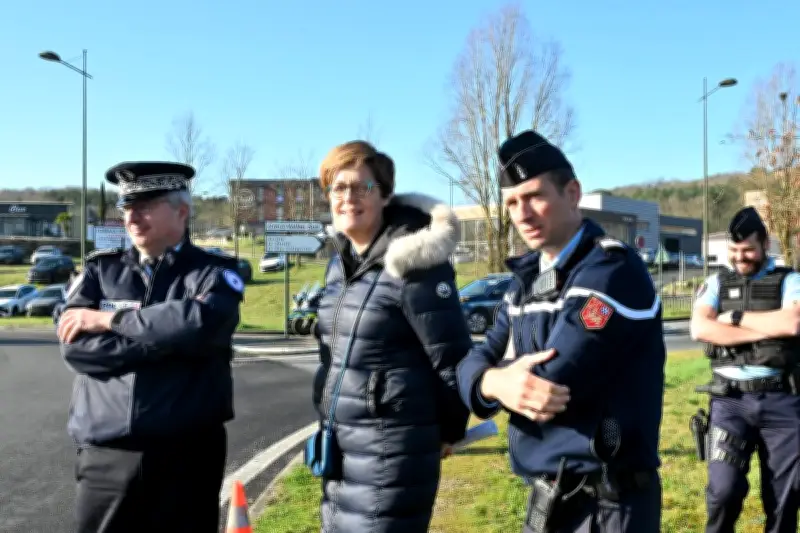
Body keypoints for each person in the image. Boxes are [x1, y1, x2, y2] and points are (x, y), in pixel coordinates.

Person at [456, 130, 665, 533]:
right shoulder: (524, 284)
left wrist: (496, 376)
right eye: (513, 202)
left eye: (535, 196)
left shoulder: (612, 271)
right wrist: (496, 382)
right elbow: (471, 364)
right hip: (548, 498)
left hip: (609, 506)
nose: (521, 214)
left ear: (572, 193)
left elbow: (550, 381)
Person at [57, 161, 244, 533]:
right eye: (126, 207)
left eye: (144, 206)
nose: (132, 217)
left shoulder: (213, 271)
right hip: (106, 455)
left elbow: (200, 323)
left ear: (182, 211)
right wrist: (165, 342)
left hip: (186, 455)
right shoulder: (99, 271)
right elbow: (75, 346)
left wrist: (111, 321)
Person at [309, 140, 473, 533]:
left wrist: (449, 432)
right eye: (338, 187)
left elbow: (452, 358)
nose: (348, 197)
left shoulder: (415, 265)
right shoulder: (340, 267)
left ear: (384, 195)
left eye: (362, 187)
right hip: (342, 454)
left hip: (392, 454)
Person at [689, 206, 800, 533]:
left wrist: (735, 319)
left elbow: (793, 322)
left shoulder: (790, 280)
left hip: (782, 400)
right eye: (735, 251)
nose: (741, 258)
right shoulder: (715, 282)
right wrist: (769, 330)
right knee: (723, 492)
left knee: (785, 497)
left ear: (766, 244)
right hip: (730, 402)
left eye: (748, 250)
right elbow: (700, 327)